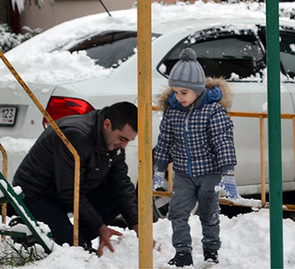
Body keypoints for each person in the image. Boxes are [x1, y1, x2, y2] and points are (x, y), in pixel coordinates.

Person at [12, 101, 139, 256]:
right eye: (122, 139)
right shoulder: (76, 135)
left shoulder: (112, 141)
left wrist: (138, 225)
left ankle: (77, 240)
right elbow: (68, 191)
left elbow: (121, 183)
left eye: (128, 141)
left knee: (116, 195)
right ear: (107, 125)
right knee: (70, 247)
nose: (124, 146)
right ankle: (24, 226)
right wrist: (100, 227)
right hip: (36, 194)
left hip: (68, 191)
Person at [152, 48, 240, 267]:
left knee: (208, 214)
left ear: (197, 90)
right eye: (175, 92)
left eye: (184, 92)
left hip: (209, 173)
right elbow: (165, 141)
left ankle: (211, 250)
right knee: (177, 213)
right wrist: (160, 167)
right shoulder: (173, 111)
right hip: (183, 174)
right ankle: (183, 252)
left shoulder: (213, 111)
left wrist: (227, 172)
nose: (178, 97)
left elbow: (223, 141)